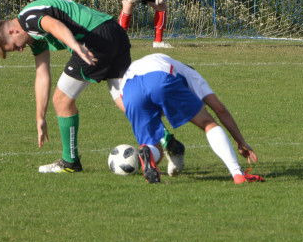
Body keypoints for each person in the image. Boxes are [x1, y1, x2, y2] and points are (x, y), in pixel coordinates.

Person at [0, 0, 184, 173]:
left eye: (14, 46)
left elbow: (54, 25)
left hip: (94, 39)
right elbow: (42, 75)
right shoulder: (34, 37)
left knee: (62, 100)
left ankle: (70, 163)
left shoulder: (28, 19)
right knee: (126, 101)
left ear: (12, 31)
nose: (20, 50)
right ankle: (168, 141)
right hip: (114, 32)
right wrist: (40, 117)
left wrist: (76, 46)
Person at [108, 53, 265, 185]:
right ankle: (238, 174)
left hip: (129, 89)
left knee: (156, 150)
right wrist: (240, 141)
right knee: (208, 123)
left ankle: (148, 151)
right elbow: (219, 109)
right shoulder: (192, 75)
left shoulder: (162, 60)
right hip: (160, 79)